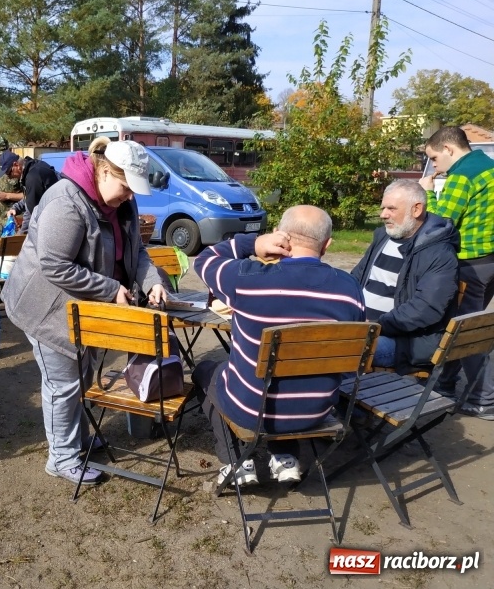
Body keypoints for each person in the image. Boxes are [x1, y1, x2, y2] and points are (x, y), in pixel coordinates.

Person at [2, 138, 166, 486]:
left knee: (83, 377)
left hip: (85, 310)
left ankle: (72, 442)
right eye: (125, 187)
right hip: (47, 308)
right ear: (104, 172)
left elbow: (138, 251)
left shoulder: (122, 204)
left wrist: (151, 280)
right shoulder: (66, 200)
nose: (130, 196)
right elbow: (53, 265)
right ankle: (62, 458)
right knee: (63, 383)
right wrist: (110, 289)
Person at [192, 206, 365, 487]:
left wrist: (252, 243)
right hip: (315, 412)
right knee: (296, 376)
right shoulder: (349, 289)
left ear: (280, 236)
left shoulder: (247, 278)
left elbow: (205, 259)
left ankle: (236, 460)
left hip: (251, 411)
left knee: (207, 371)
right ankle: (285, 457)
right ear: (328, 244)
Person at [419, 126, 494, 420]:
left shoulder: (462, 175)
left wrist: (428, 194)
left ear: (449, 149)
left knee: (468, 333)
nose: (435, 166)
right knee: (456, 326)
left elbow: (441, 223)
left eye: (435, 159)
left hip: (469, 265)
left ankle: (484, 400)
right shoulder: (488, 167)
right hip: (490, 260)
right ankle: (444, 385)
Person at [351, 180, 459, 371]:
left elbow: (425, 308)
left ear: (416, 209)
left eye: (391, 208)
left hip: (403, 340)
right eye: (383, 208)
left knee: (337, 350)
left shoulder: (439, 252)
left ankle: (338, 397)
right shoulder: (383, 237)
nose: (383, 215)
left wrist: (375, 326)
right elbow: (355, 279)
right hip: (361, 327)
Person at [0, 151, 59, 233]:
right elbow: (30, 197)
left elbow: (31, 212)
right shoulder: (32, 168)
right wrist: (16, 208)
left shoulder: (33, 177)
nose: (9, 177)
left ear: (16, 165)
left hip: (56, 220)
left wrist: (20, 237)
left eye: (9, 173)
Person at [0, 136, 23, 239]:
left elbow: (28, 196)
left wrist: (7, 196)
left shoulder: (18, 168)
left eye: (0, 155)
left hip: (15, 220)